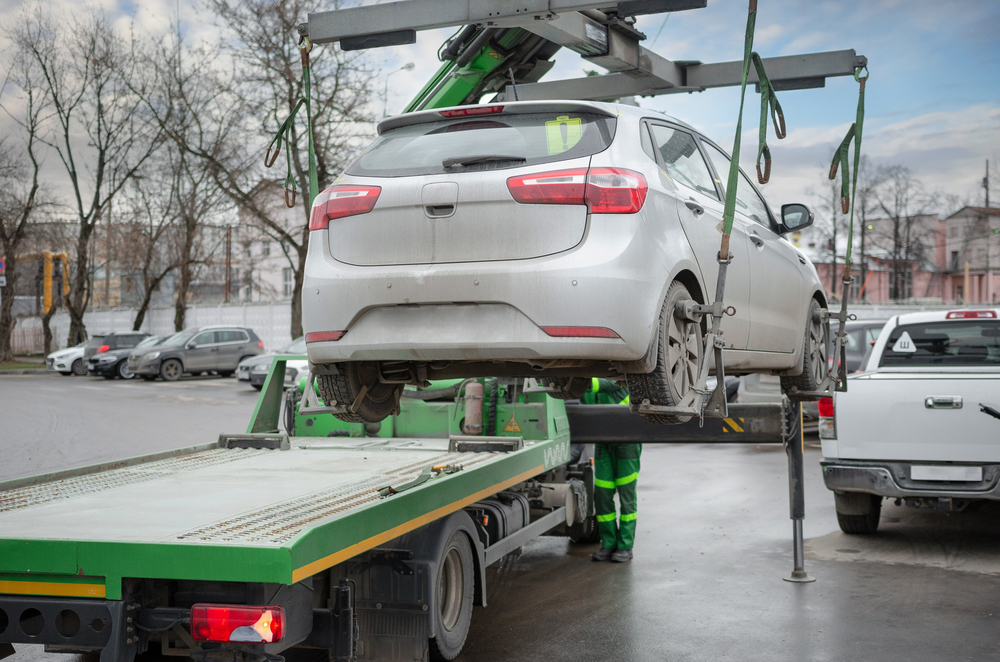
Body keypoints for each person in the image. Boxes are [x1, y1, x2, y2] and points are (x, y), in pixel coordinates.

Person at [582, 378, 640, 563]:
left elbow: (603, 383)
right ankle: (608, 543)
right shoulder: (588, 383)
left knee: (626, 495)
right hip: (602, 442)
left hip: (627, 440)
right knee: (602, 495)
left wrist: (572, 380)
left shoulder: (618, 375)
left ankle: (625, 546)